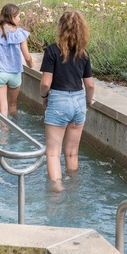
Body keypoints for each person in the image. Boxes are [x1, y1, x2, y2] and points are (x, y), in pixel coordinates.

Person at [40, 11, 95, 185]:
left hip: (59, 100)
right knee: (72, 152)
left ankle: (57, 192)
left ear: (61, 28)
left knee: (53, 153)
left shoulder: (52, 50)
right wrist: (88, 100)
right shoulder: (83, 53)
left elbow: (46, 83)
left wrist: (44, 96)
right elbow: (90, 85)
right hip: (79, 102)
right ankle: (73, 188)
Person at [0, 3, 34, 121]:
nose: (20, 19)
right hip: (14, 73)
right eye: (18, 16)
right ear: (11, 17)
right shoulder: (20, 33)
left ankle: (3, 137)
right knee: (12, 105)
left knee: (2, 108)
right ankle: (16, 128)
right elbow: (27, 57)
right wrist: (31, 65)